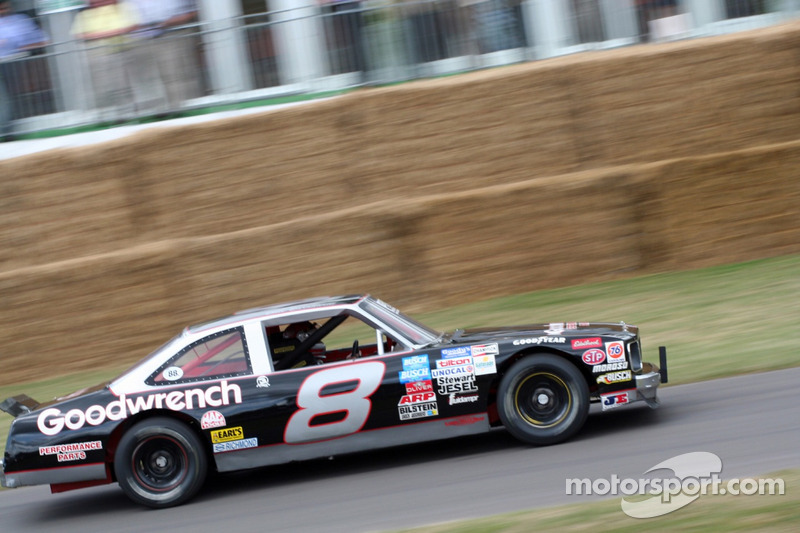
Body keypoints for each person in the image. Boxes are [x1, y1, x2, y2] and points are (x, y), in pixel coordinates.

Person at [126, 0, 201, 116]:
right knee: (148, 83)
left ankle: (186, 115)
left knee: (177, 77)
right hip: (140, 40)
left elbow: (193, 11)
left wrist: (166, 23)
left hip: (173, 34)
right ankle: (157, 117)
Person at [71, 0, 140, 122]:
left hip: (121, 51)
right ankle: (108, 117)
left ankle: (128, 114)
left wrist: (101, 34)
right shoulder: (84, 15)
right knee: (104, 88)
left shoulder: (123, 7)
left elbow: (132, 26)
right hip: (98, 56)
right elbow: (80, 35)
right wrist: (112, 33)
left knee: (123, 86)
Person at [0, 0, 47, 141]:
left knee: (8, 100)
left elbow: (43, 40)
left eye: (4, 6)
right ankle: (5, 130)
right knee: (4, 100)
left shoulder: (21, 21)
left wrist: (23, 47)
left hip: (16, 64)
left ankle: (7, 131)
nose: (3, 9)